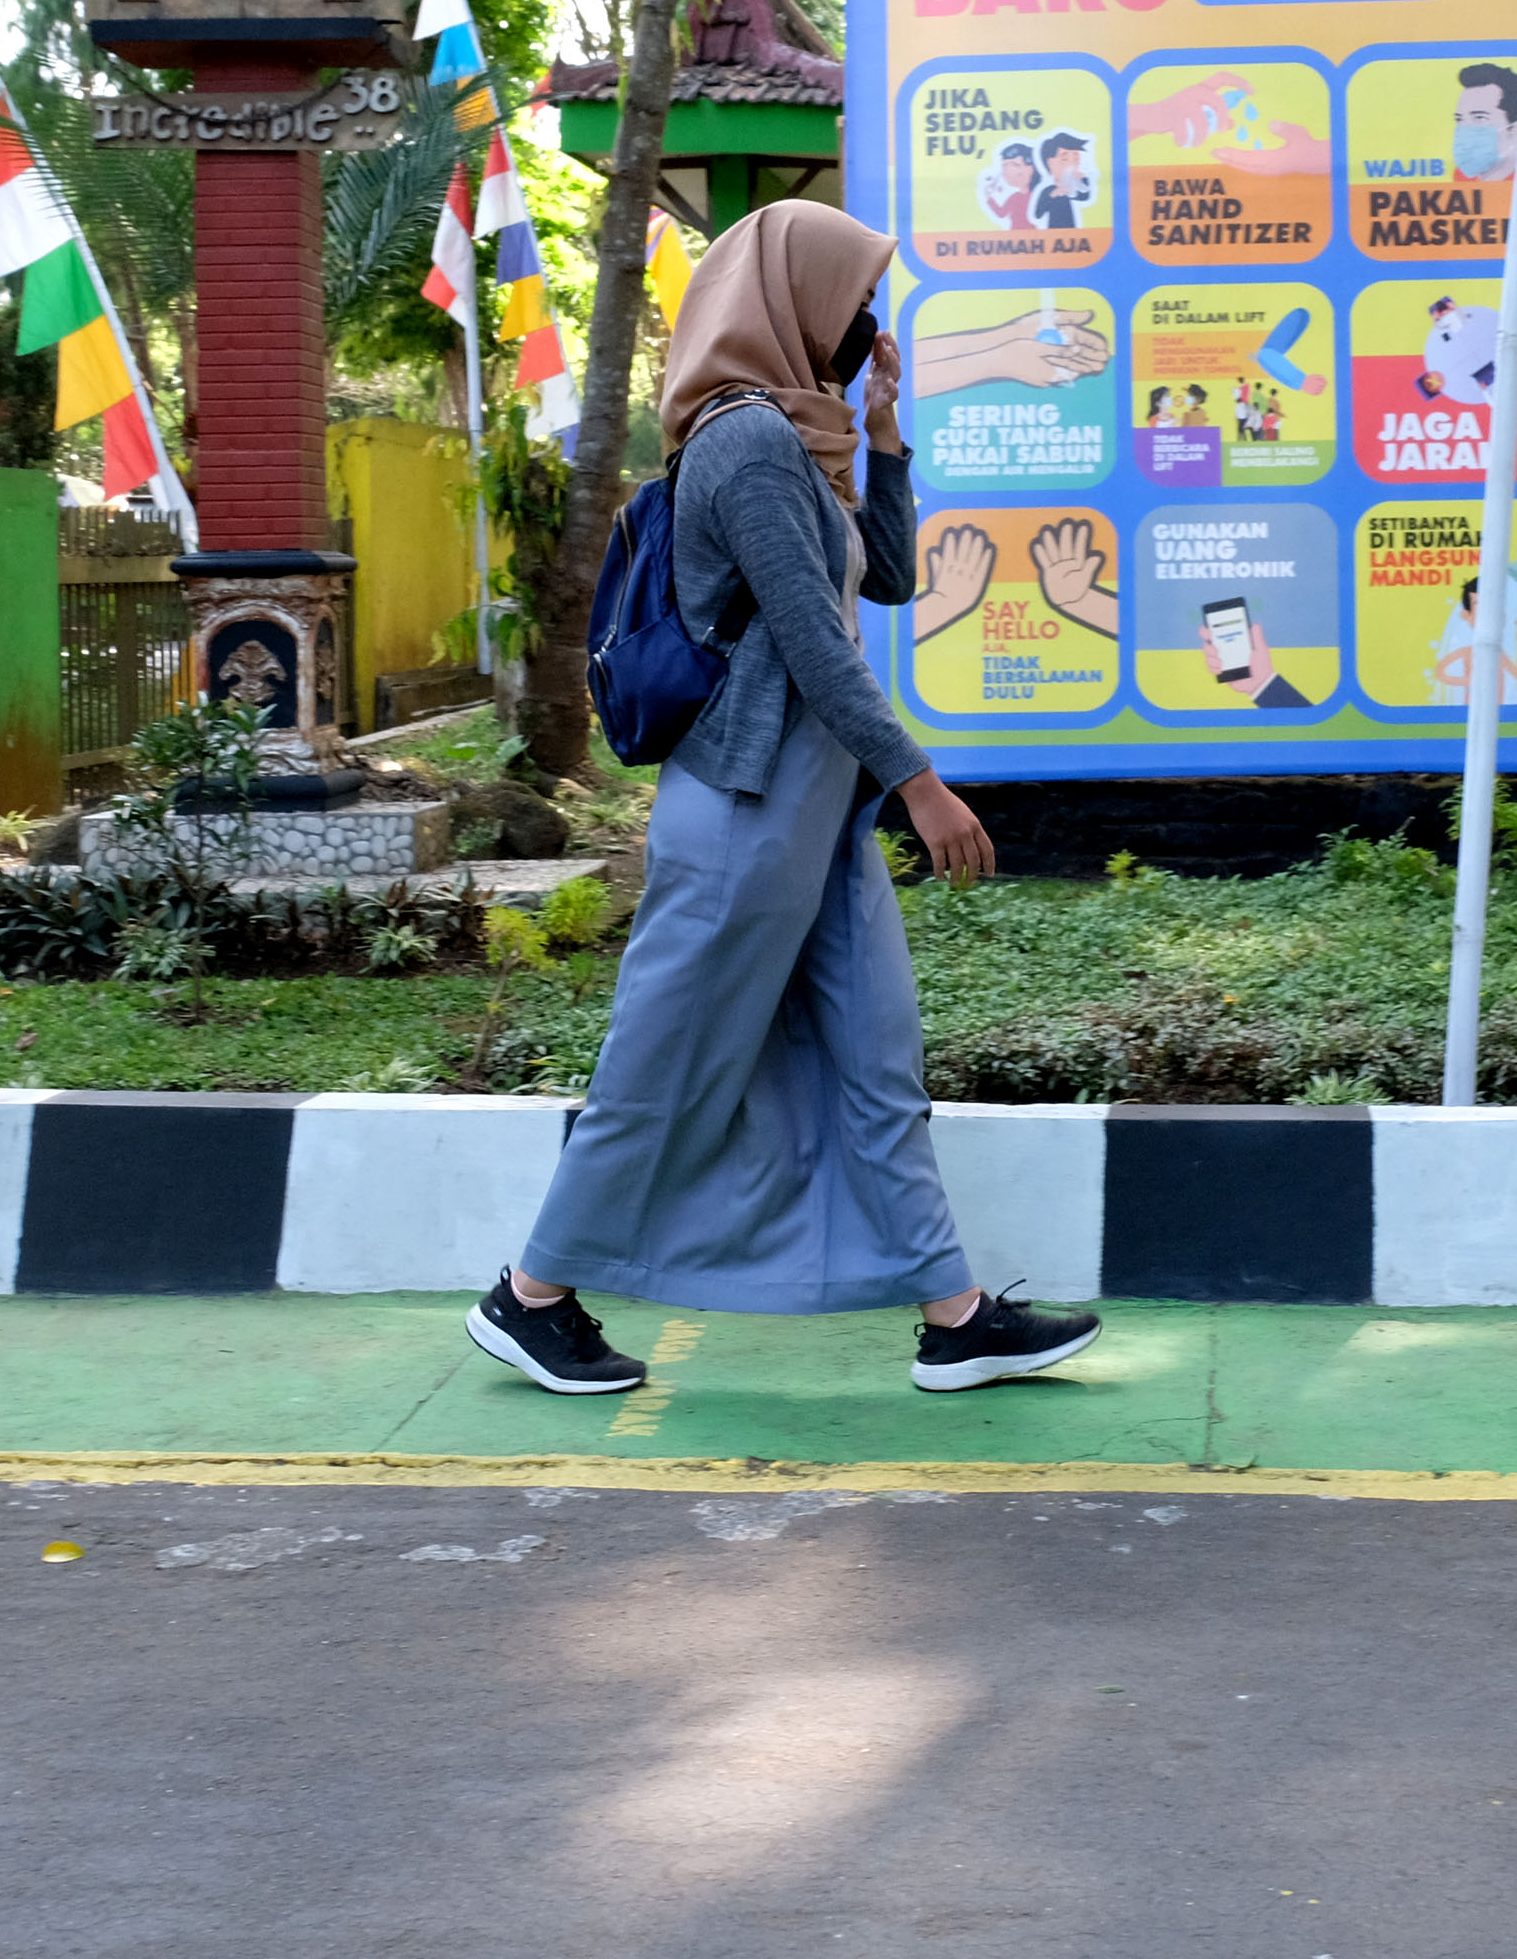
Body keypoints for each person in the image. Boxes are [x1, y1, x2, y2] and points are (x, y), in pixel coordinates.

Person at [469, 199, 1101, 1397]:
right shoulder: (745, 444)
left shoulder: (800, 443)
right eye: (850, 293)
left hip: (819, 813)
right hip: (745, 805)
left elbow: (894, 577)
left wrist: (886, 430)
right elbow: (818, 640)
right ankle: (531, 1292)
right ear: (791, 298)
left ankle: (953, 1314)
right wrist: (922, 783)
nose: (865, 318)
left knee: (876, 1056)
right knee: (667, 1052)